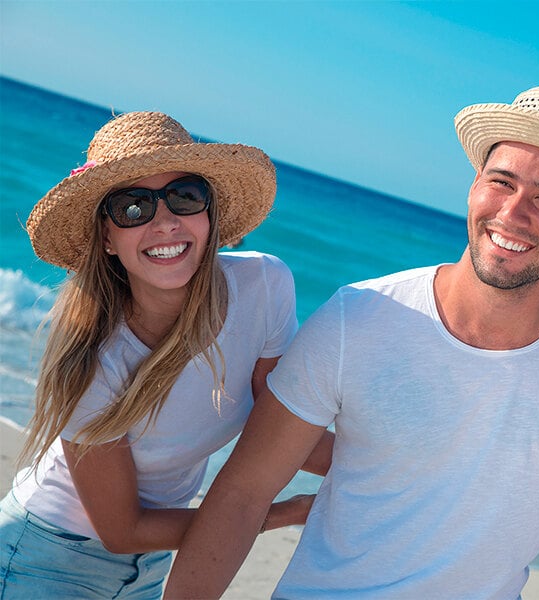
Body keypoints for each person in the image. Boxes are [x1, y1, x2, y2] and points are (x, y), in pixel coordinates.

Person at [166, 85, 539, 599]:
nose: (513, 212)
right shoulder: (356, 318)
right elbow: (243, 493)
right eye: (501, 182)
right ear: (474, 187)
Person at [0, 111, 333, 599]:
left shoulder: (263, 285)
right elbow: (122, 529)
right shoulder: (92, 357)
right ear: (107, 239)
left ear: (209, 213)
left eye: (184, 196)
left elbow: (280, 425)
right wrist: (281, 512)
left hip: (153, 562)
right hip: (44, 559)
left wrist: (390, 465)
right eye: (132, 207)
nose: (165, 221)